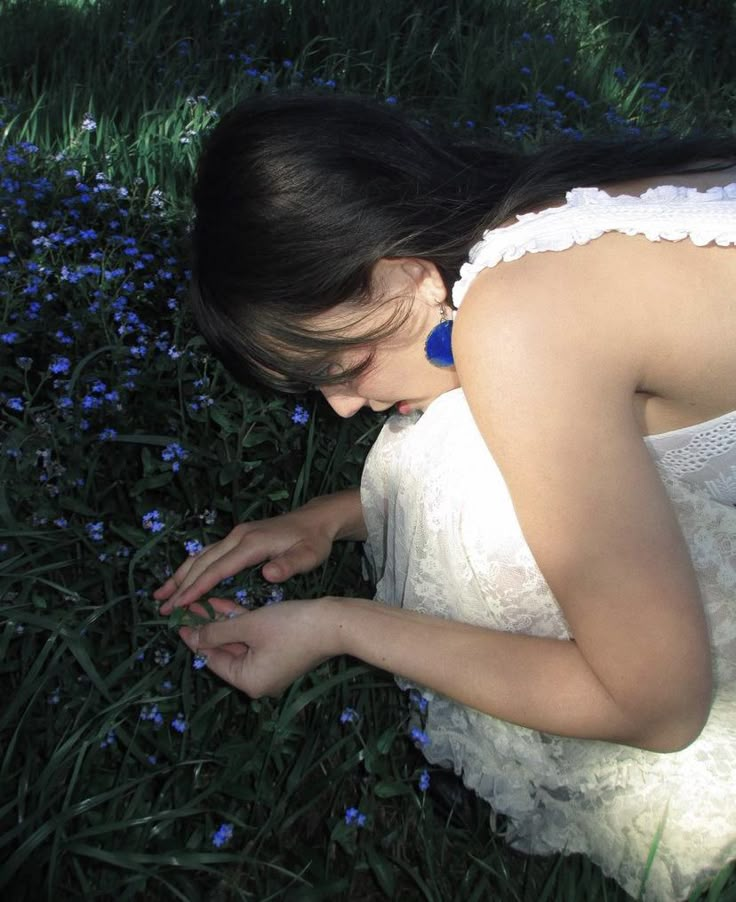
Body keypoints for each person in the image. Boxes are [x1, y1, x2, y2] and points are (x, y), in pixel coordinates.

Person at [154, 93, 736, 900]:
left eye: (341, 365)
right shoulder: (550, 213)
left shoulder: (520, 321)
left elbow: (657, 709)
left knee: (454, 467)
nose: (344, 408)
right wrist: (328, 518)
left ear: (404, 275)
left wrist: (340, 624)